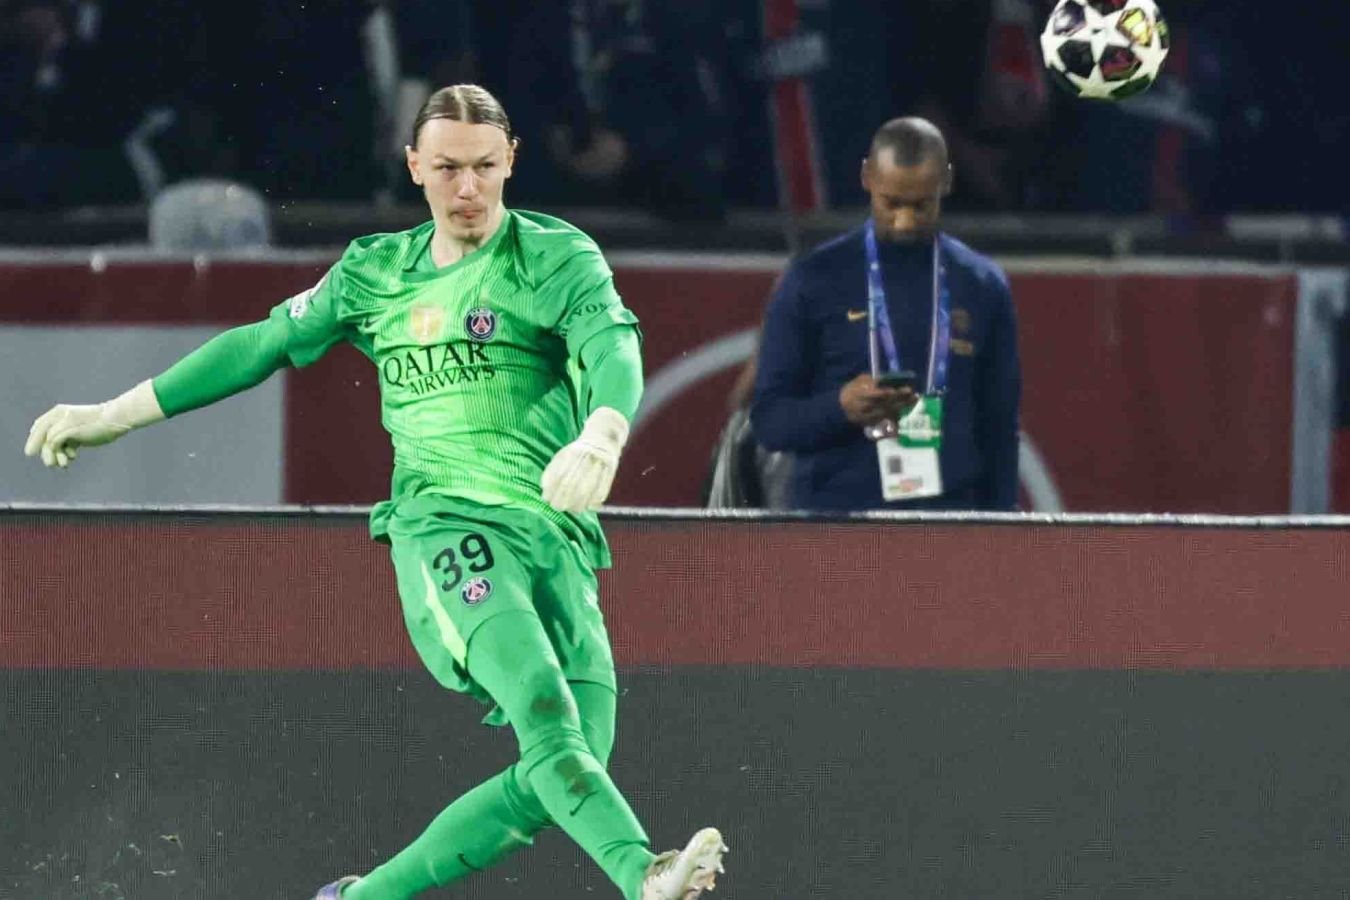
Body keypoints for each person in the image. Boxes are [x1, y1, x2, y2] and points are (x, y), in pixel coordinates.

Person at [23, 84, 726, 900]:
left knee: (566, 769)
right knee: (543, 707)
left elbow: (612, 346)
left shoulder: (557, 257)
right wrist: (113, 414)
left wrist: (603, 430)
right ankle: (644, 873)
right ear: (415, 166)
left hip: (556, 536)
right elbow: (261, 344)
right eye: (449, 169)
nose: (469, 188)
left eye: (486, 167)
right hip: (447, 526)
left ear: (512, 161)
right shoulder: (375, 272)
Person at [750, 116, 1021, 512]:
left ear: (946, 182)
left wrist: (1001, 528)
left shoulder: (982, 284)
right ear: (867, 177)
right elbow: (769, 421)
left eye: (921, 205)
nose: (905, 221)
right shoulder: (813, 278)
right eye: (891, 203)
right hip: (835, 521)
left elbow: (1000, 425)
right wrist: (840, 407)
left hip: (950, 520)